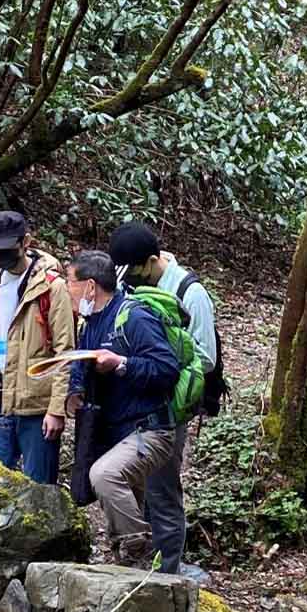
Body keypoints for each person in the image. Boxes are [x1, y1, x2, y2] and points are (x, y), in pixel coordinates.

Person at [108, 221, 216, 574]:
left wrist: (162, 359)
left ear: (153, 260)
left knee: (162, 487)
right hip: (133, 401)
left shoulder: (190, 293)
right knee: (133, 482)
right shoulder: (131, 283)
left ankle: (169, 568)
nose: (129, 278)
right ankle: (139, 557)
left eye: (135, 270)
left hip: (169, 407)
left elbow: (206, 357)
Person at [66, 250, 179, 566]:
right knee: (126, 497)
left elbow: (167, 369)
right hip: (117, 431)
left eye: (69, 282)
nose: (65, 289)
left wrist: (122, 364)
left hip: (151, 429)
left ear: (90, 287)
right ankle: (134, 574)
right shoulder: (90, 324)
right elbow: (83, 362)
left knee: (104, 476)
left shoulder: (135, 317)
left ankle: (139, 549)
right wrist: (75, 391)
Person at [0, 211, 75, 484]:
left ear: (26, 241)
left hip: (36, 404)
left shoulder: (51, 287)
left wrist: (56, 409)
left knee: (40, 487)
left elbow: (65, 351)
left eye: (5, 249)